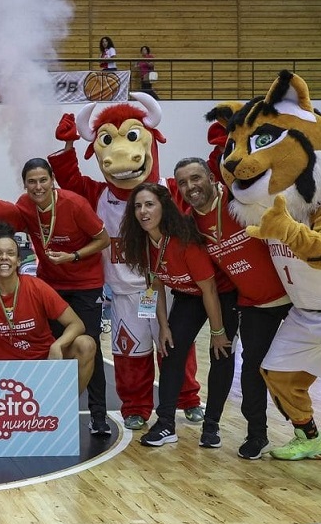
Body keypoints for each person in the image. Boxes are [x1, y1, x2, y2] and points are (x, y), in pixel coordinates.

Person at [174, 158, 290, 458]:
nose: (190, 187)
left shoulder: (242, 199)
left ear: (213, 178)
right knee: (252, 370)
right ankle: (257, 434)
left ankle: (305, 432)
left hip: (294, 295)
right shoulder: (190, 225)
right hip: (252, 303)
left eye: (196, 178)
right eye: (183, 183)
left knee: (297, 369)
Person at [121, 183, 237, 449]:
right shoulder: (142, 241)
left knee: (221, 353)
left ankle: (211, 427)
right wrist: (163, 326)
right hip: (188, 295)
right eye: (138, 206)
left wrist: (218, 333)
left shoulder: (184, 241)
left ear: (164, 206)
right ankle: (165, 425)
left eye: (149, 204)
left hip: (220, 295)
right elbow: (156, 284)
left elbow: (209, 289)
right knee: (170, 350)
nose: (143, 211)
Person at [16, 158, 111, 435]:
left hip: (86, 284)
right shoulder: (24, 205)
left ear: (52, 180)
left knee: (89, 344)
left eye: (43, 180)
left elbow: (104, 240)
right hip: (51, 284)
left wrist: (74, 256)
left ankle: (98, 415)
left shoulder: (75, 204)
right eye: (32, 181)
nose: (38, 186)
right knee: (54, 345)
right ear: (24, 184)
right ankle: (52, 409)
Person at [0, 222, 96, 392]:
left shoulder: (37, 287)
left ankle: (67, 406)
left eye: (10, 253)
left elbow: (77, 324)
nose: (4, 257)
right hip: (4, 374)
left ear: (18, 260)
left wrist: (57, 345)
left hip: (43, 365)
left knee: (86, 344)